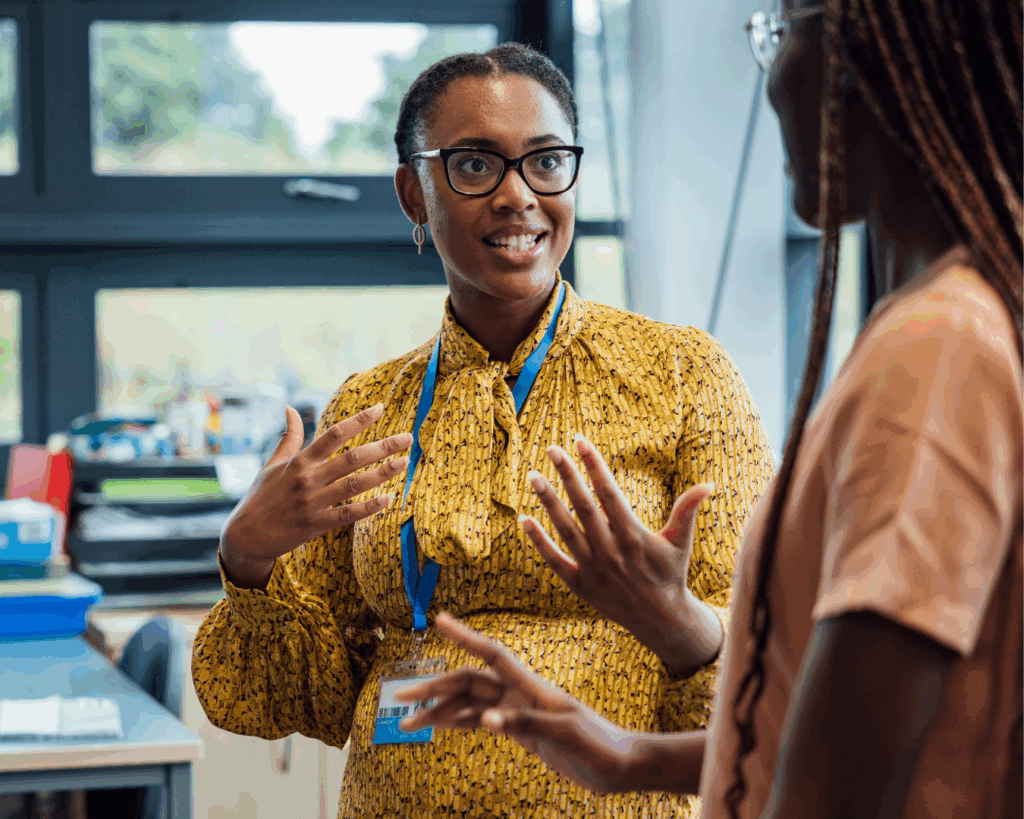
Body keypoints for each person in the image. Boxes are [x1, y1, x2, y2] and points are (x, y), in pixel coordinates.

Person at [396, 2, 1023, 818]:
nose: (771, 79)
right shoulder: (942, 328)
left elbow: (838, 786)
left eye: (783, 30)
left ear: (863, 59)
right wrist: (624, 755)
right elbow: (821, 722)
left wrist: (681, 633)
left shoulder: (936, 353)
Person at [191, 43, 775, 818]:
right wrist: (249, 556)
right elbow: (302, 697)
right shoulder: (370, 407)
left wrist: (681, 623)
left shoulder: (682, 374)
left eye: (544, 162)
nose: (517, 196)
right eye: (474, 166)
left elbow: (776, 677)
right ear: (415, 193)